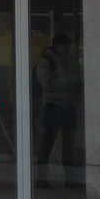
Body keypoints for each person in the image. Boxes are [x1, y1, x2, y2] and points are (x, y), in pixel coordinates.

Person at [34, 33, 83, 187]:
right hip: (53, 106)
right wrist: (73, 81)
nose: (69, 49)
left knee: (69, 146)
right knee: (47, 144)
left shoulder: (72, 62)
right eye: (66, 46)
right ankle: (41, 180)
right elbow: (49, 84)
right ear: (57, 47)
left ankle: (71, 181)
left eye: (70, 46)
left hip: (69, 106)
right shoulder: (46, 62)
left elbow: (78, 82)